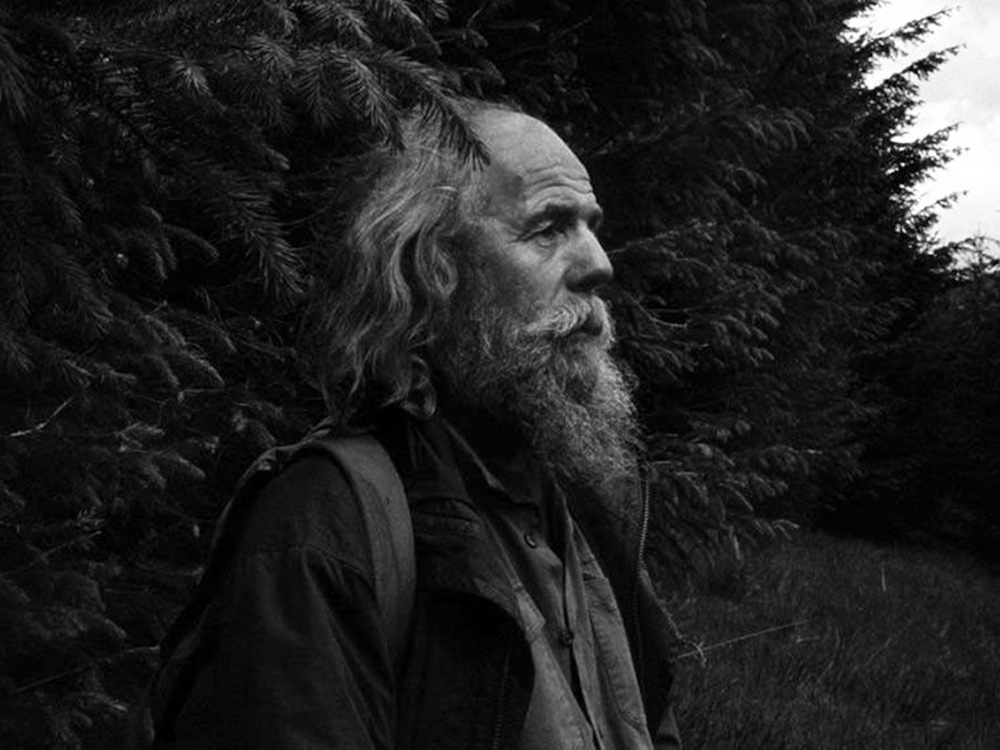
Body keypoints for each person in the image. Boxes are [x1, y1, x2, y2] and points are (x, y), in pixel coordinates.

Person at [149, 99, 682, 749]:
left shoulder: (594, 502)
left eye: (591, 226)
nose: (600, 263)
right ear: (433, 270)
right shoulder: (327, 522)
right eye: (548, 227)